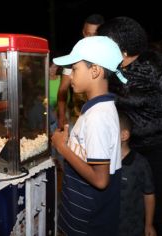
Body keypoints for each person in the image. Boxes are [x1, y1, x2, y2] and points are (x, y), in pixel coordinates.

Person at [97, 16, 162, 235]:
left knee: (158, 212)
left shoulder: (152, 63)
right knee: (134, 209)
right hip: (130, 152)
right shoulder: (110, 70)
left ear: (121, 47)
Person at [51, 36, 126, 235]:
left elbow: (100, 180)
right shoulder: (95, 109)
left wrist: (62, 148)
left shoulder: (97, 116)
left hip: (89, 222)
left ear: (95, 71)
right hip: (81, 211)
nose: (70, 76)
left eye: (74, 69)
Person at [57, 14, 104, 129]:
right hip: (79, 117)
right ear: (83, 33)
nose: (91, 39)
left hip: (102, 116)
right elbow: (63, 89)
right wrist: (62, 115)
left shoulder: (108, 57)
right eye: (88, 34)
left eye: (95, 35)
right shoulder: (74, 56)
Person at [118, 111, 156, 236]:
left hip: (132, 228)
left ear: (124, 135)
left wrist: (149, 224)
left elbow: (149, 194)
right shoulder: (104, 160)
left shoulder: (140, 163)